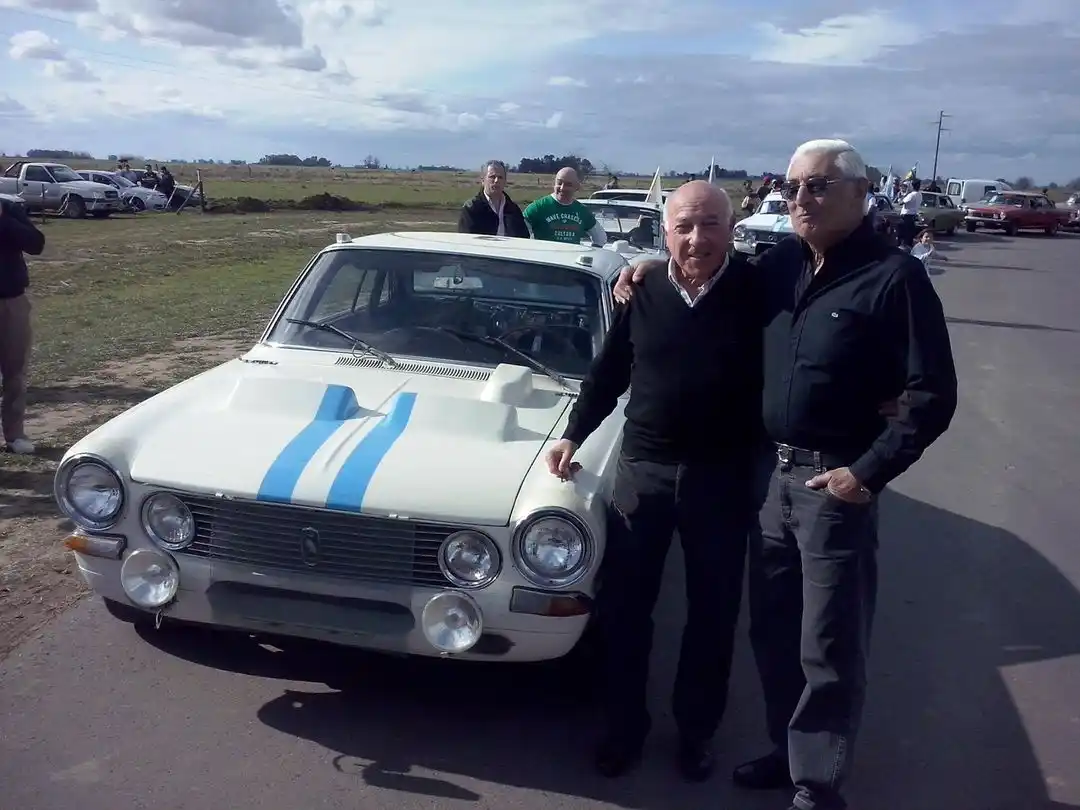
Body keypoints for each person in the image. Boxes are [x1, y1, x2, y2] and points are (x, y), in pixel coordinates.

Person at [613, 138, 958, 810]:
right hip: (767, 480)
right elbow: (704, 264)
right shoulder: (777, 267)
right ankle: (785, 749)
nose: (803, 198)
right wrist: (650, 264)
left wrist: (868, 471)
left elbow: (932, 393)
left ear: (862, 194)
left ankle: (818, 784)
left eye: (821, 185)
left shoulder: (894, 278)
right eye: (794, 186)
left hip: (835, 483)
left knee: (828, 643)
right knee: (773, 630)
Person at [547, 181, 761, 783]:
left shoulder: (758, 289)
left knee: (713, 614)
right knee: (626, 610)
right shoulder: (641, 291)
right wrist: (573, 433)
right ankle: (623, 729)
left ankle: (695, 732)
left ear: (732, 227)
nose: (698, 238)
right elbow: (609, 371)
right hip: (644, 472)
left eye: (711, 224)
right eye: (685, 226)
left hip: (721, 478)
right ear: (665, 231)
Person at [0, 197, 46, 454]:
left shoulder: (9, 209)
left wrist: (3, 221)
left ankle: (14, 435)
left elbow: (36, 244)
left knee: (15, 372)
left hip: (11, 302)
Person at [523, 167, 607, 245]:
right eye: (559, 183)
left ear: (577, 187)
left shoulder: (582, 211)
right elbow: (518, 233)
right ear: (554, 184)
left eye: (568, 184)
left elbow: (601, 238)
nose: (562, 188)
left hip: (570, 259)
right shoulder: (538, 207)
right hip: (544, 259)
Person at [457, 160, 529, 237]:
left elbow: (523, 239)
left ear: (505, 181)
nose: (496, 180)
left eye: (500, 177)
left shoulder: (513, 209)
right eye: (492, 177)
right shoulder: (472, 208)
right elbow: (466, 240)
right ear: (483, 180)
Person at [898, 178, 922, 249]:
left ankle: (904, 249)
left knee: (904, 235)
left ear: (912, 186)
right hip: (913, 216)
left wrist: (901, 195)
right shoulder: (920, 194)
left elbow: (901, 203)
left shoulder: (911, 195)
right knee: (909, 235)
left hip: (906, 216)